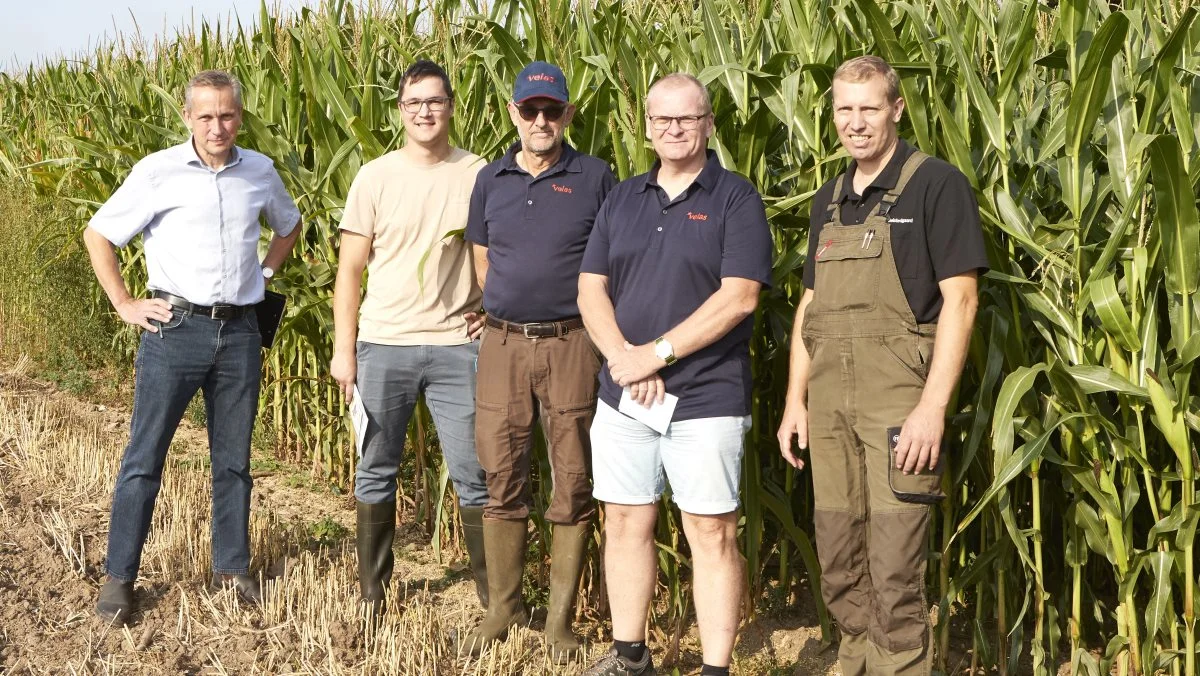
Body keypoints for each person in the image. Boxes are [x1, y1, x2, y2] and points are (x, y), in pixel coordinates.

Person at [776, 55, 986, 676]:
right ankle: (853, 664)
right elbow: (808, 308)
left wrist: (931, 409)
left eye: (869, 107)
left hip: (899, 403)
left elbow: (962, 300)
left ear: (896, 109)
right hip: (830, 403)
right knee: (839, 559)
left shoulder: (934, 185)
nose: (856, 122)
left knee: (895, 570)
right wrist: (795, 400)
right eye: (844, 108)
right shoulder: (830, 198)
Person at [84, 69, 302, 625]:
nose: (217, 126)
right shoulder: (157, 172)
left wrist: (268, 269)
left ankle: (232, 569)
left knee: (234, 462)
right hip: (174, 330)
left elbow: (289, 224)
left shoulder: (259, 170)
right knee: (144, 459)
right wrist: (124, 303)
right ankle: (119, 579)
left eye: (227, 115)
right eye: (205, 115)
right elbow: (100, 234)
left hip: (241, 333)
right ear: (187, 117)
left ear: (240, 115)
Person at [577, 73, 773, 676]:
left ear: (709, 123)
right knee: (626, 519)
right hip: (624, 395)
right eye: (662, 120)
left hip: (707, 395)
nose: (674, 129)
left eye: (687, 118)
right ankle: (629, 654)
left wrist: (656, 355)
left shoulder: (735, 197)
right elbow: (591, 288)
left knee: (710, 532)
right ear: (647, 127)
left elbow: (739, 298)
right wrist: (623, 360)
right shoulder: (624, 197)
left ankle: (715, 667)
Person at [458, 61, 615, 661]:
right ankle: (503, 609)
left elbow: (609, 264)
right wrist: (502, 305)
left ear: (568, 115)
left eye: (552, 110)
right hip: (501, 343)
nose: (542, 120)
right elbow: (481, 254)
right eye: (531, 110)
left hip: (572, 342)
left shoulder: (596, 176)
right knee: (501, 473)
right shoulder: (490, 179)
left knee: (573, 477)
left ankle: (559, 625)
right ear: (514, 114)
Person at [330, 60, 490, 622]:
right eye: (414, 102)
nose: (425, 111)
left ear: (451, 106)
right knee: (376, 467)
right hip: (383, 343)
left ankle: (493, 602)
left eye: (435, 101)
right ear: (400, 110)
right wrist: (343, 350)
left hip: (457, 347)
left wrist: (492, 309)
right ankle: (373, 592)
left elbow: (499, 255)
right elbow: (349, 270)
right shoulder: (374, 177)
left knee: (474, 472)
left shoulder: (480, 173)